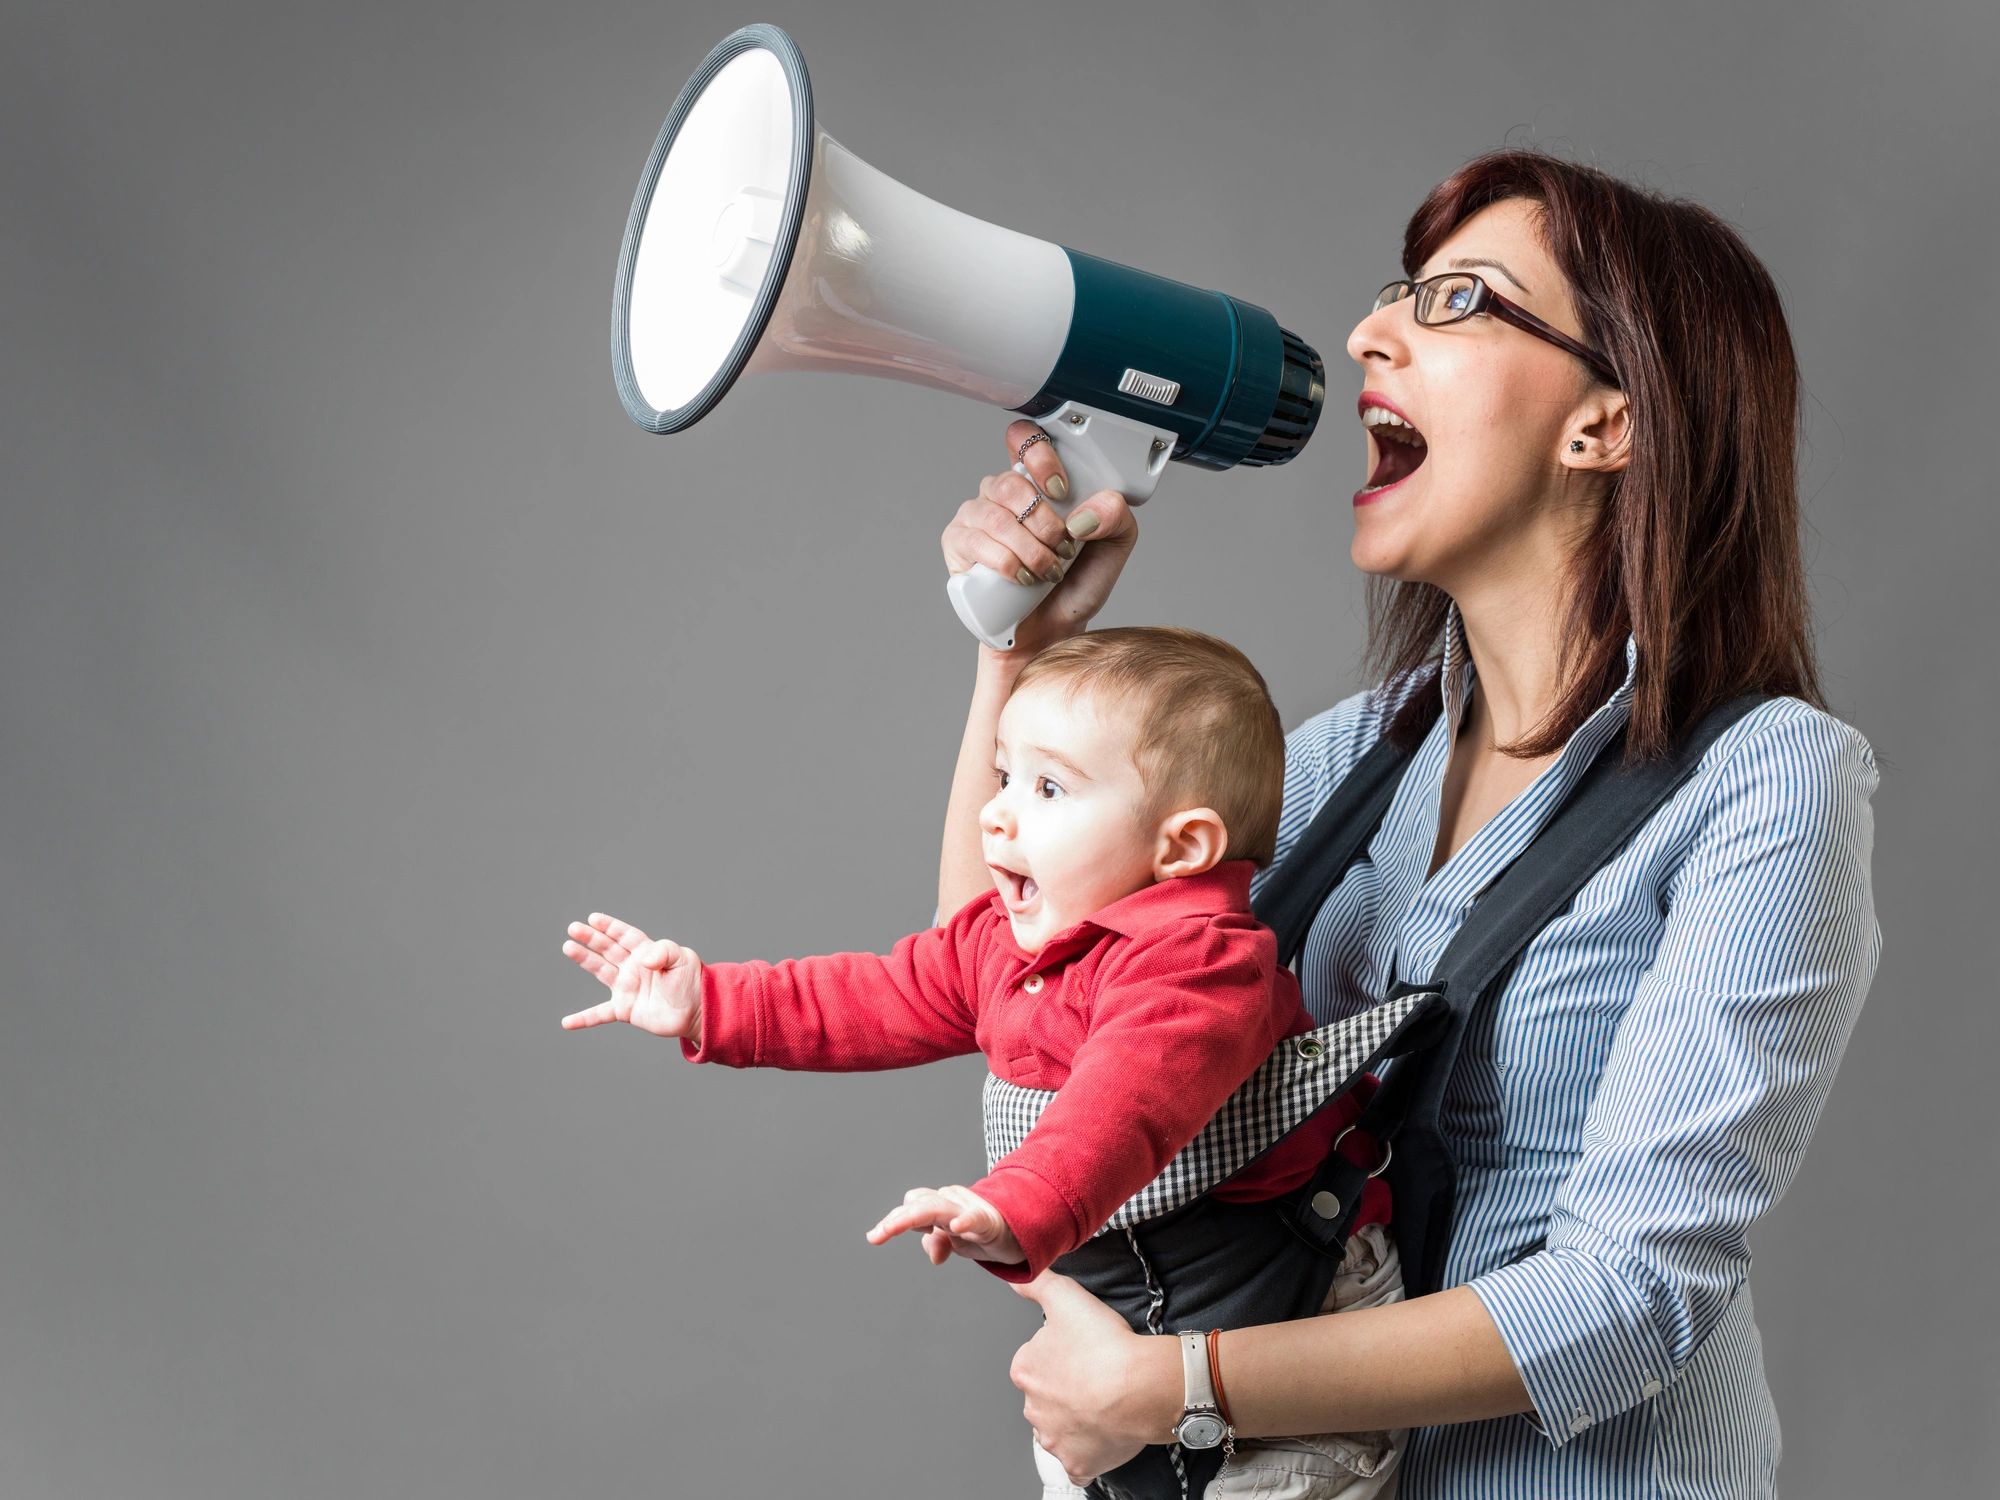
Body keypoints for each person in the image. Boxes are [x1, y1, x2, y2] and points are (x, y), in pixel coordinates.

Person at [936, 149, 1881, 1499]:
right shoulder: (1357, 755)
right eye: (1396, 294)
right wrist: (1014, 661)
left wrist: (1173, 1388)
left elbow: (1633, 1289)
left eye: (1459, 304)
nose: (1371, 335)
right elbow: (1016, 989)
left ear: (1605, 423)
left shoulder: (1771, 782)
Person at [559, 625, 1409, 1500]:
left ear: (1181, 848)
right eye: (1004, 777)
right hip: (1130, 1316)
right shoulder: (1008, 943)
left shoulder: (1198, 961)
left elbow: (1126, 1105)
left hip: (1284, 1310)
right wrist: (712, 1003)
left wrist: (1012, 1207)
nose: (996, 813)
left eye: (1048, 787)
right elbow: (876, 996)